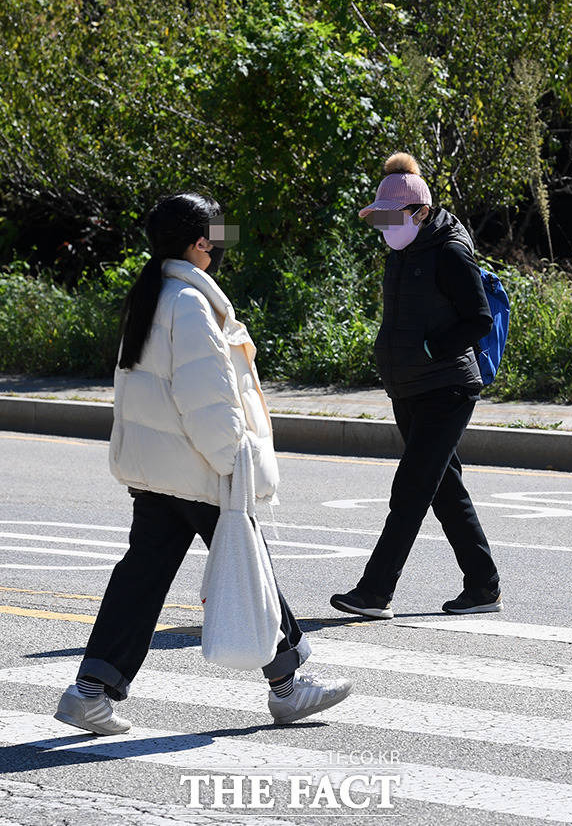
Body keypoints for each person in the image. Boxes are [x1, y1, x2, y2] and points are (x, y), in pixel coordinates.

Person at [54, 192, 351, 735]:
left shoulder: (152, 295)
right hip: (200, 471)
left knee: (142, 577)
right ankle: (286, 689)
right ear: (198, 243)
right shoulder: (189, 303)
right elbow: (206, 400)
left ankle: (90, 690)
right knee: (249, 567)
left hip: (160, 470)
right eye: (216, 235)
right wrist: (230, 462)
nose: (220, 244)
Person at [330, 153, 502, 619]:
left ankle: (374, 593)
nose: (385, 227)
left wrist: (429, 351)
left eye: (392, 217)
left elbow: (478, 319)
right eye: (380, 218)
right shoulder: (401, 252)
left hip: (447, 388)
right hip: (408, 388)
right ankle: (483, 587)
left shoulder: (449, 250)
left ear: (421, 212)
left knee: (410, 490)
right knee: (445, 490)